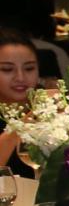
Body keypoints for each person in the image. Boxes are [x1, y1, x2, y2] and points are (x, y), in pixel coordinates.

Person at [0, 27, 40, 175]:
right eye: (7, 69)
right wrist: (25, 122)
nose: (20, 77)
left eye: (29, 68)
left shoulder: (53, 107)